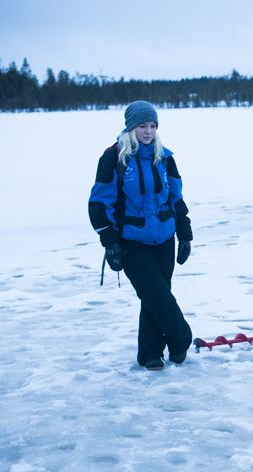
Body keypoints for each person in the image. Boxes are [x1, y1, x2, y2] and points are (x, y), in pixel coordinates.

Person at [88, 100, 193, 371]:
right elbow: (99, 203)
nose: (148, 131)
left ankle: (149, 354)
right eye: (142, 126)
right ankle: (181, 339)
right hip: (132, 242)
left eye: (153, 125)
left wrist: (184, 234)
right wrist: (110, 241)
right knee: (157, 295)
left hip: (164, 239)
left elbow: (176, 198)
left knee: (155, 297)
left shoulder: (164, 157)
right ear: (130, 127)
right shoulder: (114, 157)